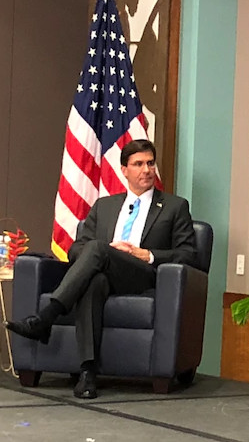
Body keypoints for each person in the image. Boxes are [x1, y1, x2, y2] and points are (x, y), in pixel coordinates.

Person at [4, 139, 196, 399]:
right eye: (138, 164)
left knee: (98, 249)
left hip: (143, 275)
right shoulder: (104, 206)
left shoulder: (175, 206)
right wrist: (105, 252)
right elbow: (75, 250)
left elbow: (188, 254)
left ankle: (46, 318)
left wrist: (147, 254)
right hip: (105, 272)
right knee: (93, 281)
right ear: (124, 170)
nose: (146, 170)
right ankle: (87, 372)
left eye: (150, 163)